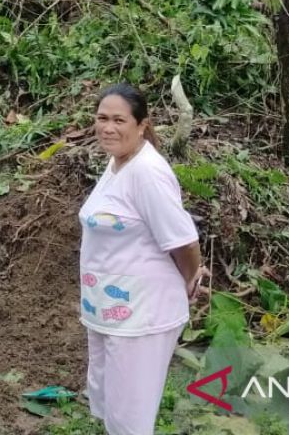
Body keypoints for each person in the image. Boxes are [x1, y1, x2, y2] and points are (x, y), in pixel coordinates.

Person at [80, 84, 206, 435]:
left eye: (119, 120)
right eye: (102, 118)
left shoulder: (147, 172)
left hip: (142, 315)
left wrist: (191, 280)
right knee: (112, 411)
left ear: (142, 126)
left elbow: (183, 239)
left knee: (130, 421)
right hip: (107, 310)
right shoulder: (118, 162)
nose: (108, 127)